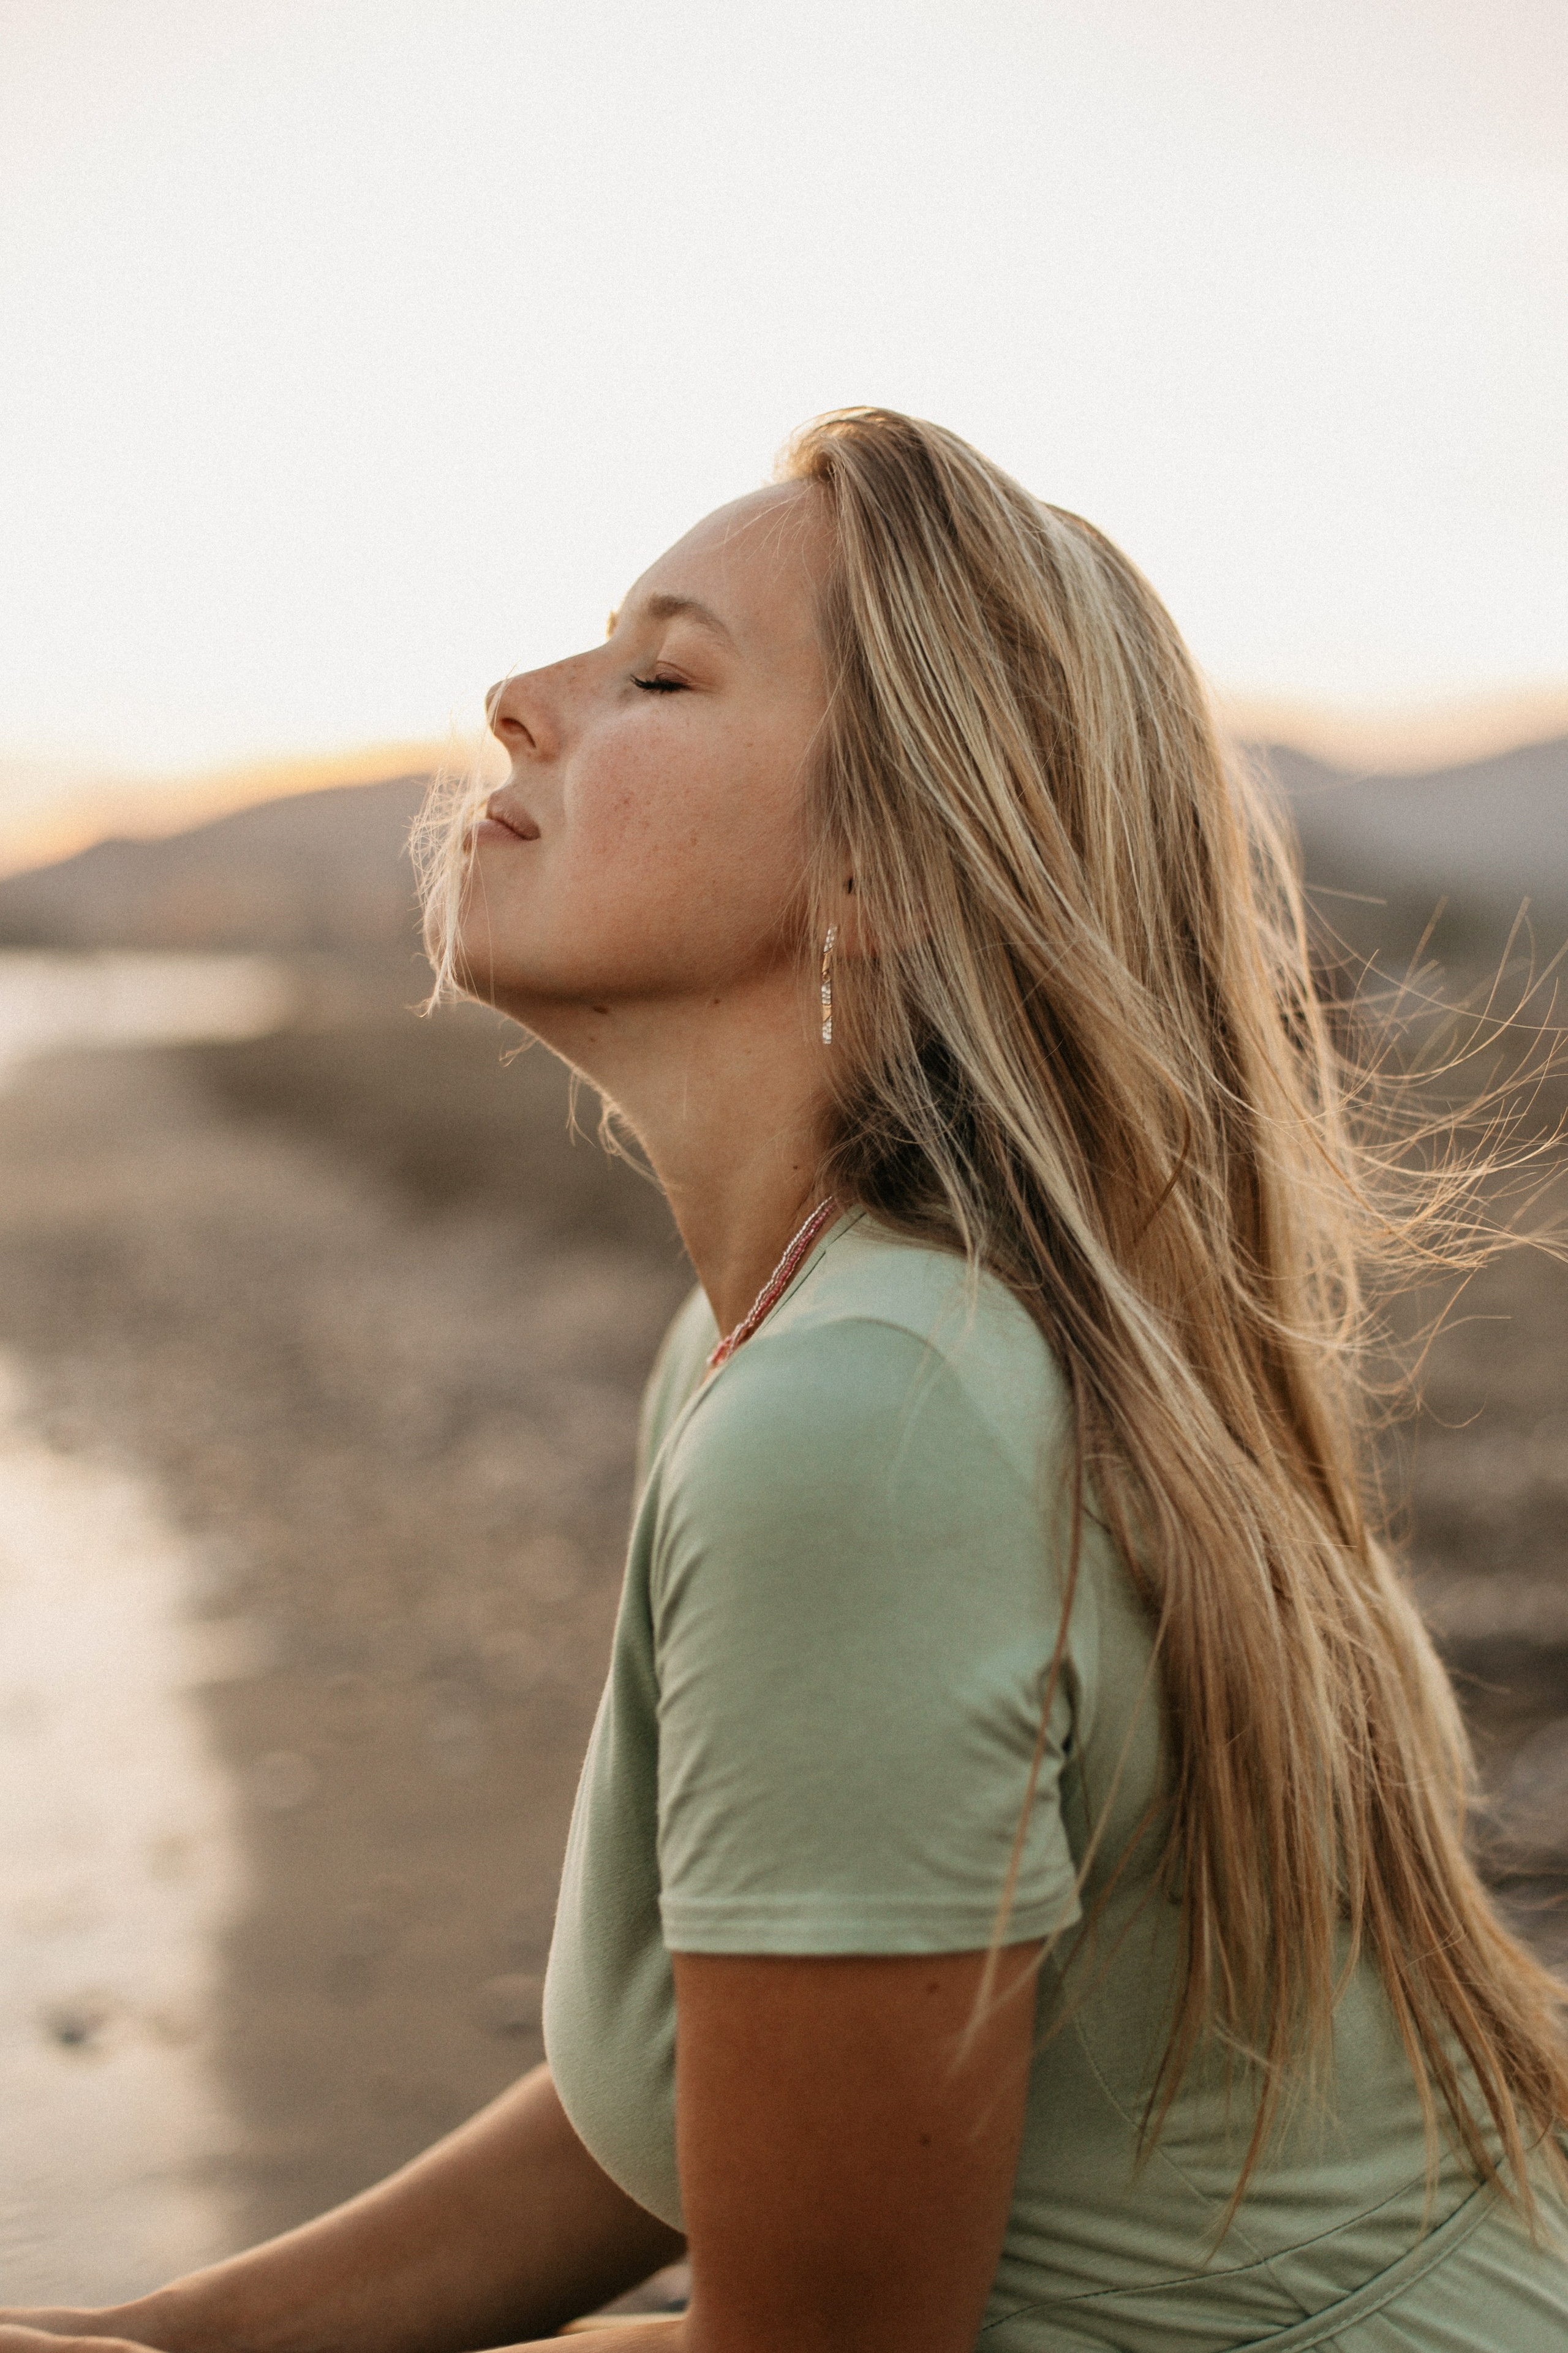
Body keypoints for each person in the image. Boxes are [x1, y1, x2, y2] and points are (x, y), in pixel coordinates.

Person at [4, 406, 1566, 2352]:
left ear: (883, 870)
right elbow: (686, 2086)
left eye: (659, 673)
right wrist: (163, 2338)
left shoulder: (868, 1429)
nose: (516, 699)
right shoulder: (808, 1338)